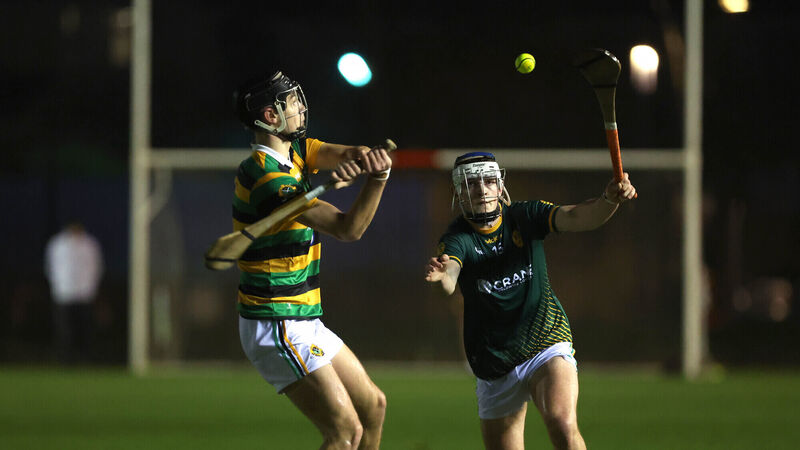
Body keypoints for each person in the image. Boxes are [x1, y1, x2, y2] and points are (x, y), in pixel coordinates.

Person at [424, 152, 636, 450]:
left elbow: (577, 216)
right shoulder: (457, 238)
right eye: (471, 184)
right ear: (459, 192)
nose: (482, 189)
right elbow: (449, 276)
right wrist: (440, 279)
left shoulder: (525, 216)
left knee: (562, 423)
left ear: (500, 186)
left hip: (544, 341)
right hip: (494, 361)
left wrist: (608, 199)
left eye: (488, 181)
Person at [231, 71, 390, 449]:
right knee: (345, 433)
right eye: (291, 102)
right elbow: (348, 229)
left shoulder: (297, 152)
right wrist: (378, 179)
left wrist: (362, 160)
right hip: (275, 321)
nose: (301, 107)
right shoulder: (267, 178)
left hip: (302, 317)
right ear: (270, 116)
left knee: (373, 408)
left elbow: (346, 153)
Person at [44, 221, 104, 364]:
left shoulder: (90, 244)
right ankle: (65, 359)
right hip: (64, 292)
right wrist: (57, 285)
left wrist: (91, 286)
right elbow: (51, 266)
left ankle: (86, 358)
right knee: (64, 329)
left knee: (85, 329)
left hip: (85, 293)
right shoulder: (58, 244)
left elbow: (96, 267)